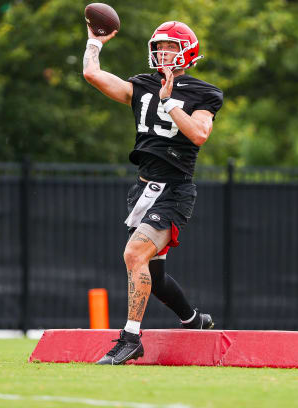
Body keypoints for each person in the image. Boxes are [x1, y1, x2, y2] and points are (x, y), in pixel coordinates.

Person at [82, 20, 223, 365]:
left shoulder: (204, 92)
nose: (163, 53)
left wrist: (170, 102)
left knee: (134, 255)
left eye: (170, 47)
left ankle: (131, 338)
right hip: (143, 189)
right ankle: (195, 321)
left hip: (175, 190)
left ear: (187, 51)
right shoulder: (142, 84)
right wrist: (94, 43)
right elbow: (93, 75)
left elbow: (200, 135)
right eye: (158, 47)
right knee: (154, 276)